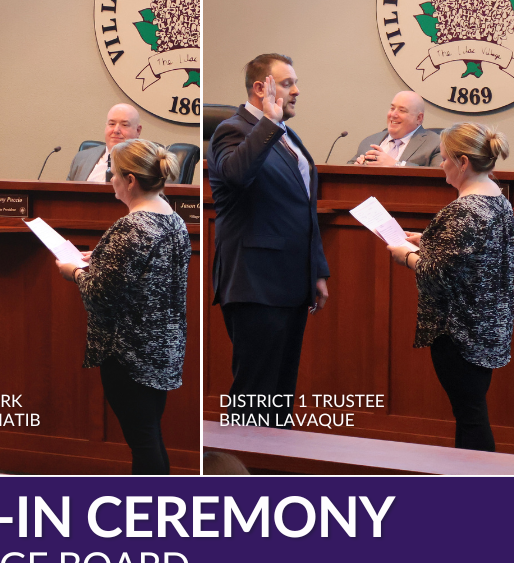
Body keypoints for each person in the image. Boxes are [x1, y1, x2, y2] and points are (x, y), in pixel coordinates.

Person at [207, 53, 330, 428]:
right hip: (255, 281)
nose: (297, 91)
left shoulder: (286, 134)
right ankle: (240, 475)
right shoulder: (233, 130)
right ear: (262, 88)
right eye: (288, 83)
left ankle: (271, 474)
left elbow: (302, 208)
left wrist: (317, 271)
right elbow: (237, 175)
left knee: (280, 393)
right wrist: (269, 125)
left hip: (291, 281)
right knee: (254, 391)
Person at [56, 139, 190, 474]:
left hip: (131, 353)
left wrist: (73, 271)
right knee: (149, 437)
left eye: (112, 173)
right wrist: (98, 257)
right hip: (163, 348)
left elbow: (101, 293)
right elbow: (141, 272)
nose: (110, 180)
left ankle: (150, 516)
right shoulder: (172, 218)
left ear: (130, 180)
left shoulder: (133, 226)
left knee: (143, 443)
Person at [387, 123, 514, 452]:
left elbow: (439, 277)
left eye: (443, 159)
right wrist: (427, 239)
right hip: (488, 328)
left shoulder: (463, 211)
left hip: (460, 333)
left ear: (463, 162)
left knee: (470, 417)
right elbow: (472, 258)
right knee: (471, 412)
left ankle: (476, 496)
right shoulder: (499, 200)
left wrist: (408, 256)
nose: (441, 165)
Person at [347, 91, 441, 166]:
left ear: (419, 118)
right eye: (392, 108)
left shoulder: (435, 144)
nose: (393, 115)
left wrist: (395, 165)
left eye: (402, 110)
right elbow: (348, 168)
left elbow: (439, 178)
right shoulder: (370, 141)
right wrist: (357, 168)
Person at [66, 103, 142, 181]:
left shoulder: (148, 164)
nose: (116, 130)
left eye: (124, 125)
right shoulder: (82, 158)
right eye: (112, 124)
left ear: (138, 130)